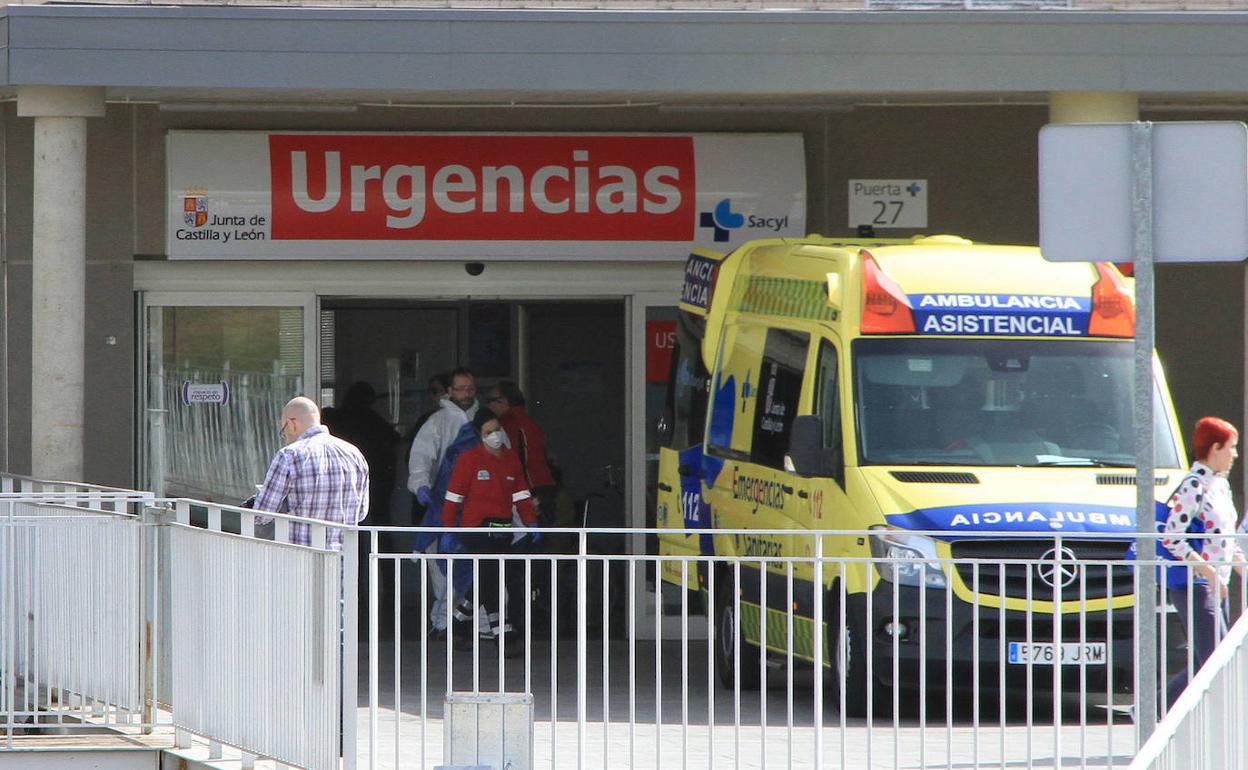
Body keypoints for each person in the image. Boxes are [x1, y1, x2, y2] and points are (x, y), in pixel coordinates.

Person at [1160, 416, 1248, 708]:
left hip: (1215, 584)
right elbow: (1172, 537)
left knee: (1206, 660)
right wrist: (1208, 571)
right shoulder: (1194, 485)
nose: (1235, 454)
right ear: (1215, 448)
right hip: (1195, 585)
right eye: (1231, 447)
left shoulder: (1220, 486)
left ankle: (1154, 708)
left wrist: (1240, 568)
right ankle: (1160, 709)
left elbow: (1225, 539)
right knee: (1216, 659)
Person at [443, 409, 539, 656]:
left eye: (497, 429)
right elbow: (453, 499)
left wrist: (530, 521)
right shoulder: (469, 459)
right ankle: (502, 631)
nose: (495, 435)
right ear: (480, 435)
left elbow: (520, 494)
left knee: (489, 576)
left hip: (502, 529)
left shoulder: (511, 460)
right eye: (489, 432)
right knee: (492, 578)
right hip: (475, 530)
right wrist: (446, 530)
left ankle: (457, 620)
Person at [409, 367, 480, 636]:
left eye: (470, 389)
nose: (465, 394)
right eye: (460, 389)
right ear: (450, 391)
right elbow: (421, 458)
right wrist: (421, 485)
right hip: (444, 505)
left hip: (478, 508)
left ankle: (476, 623)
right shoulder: (437, 422)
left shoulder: (484, 420)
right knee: (443, 565)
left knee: (477, 565)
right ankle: (445, 621)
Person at [252, 396, 370, 551]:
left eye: (283, 431)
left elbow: (261, 515)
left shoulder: (289, 455)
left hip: (300, 560)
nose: (285, 437)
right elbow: (361, 512)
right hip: (341, 562)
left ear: (292, 424)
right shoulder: (354, 454)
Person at [487, 381, 557, 527]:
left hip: (529, 489)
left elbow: (518, 461)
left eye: (490, 400)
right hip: (541, 487)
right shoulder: (528, 422)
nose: (488, 405)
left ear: (503, 401)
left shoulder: (510, 425)